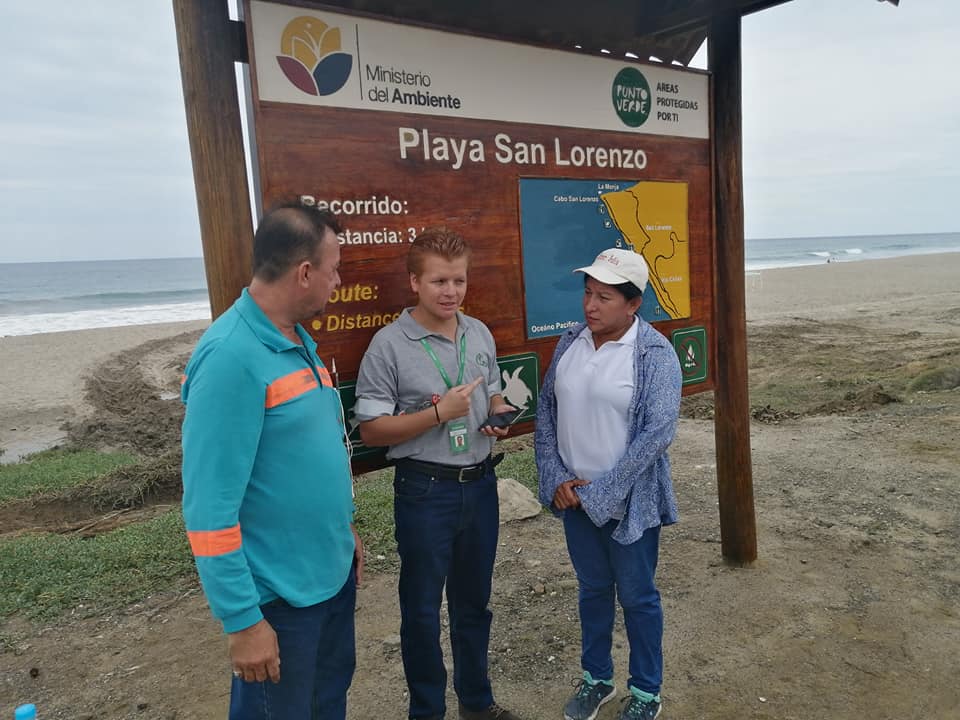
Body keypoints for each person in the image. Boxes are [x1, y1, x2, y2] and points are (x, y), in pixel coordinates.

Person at [180, 201, 363, 720]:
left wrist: (341, 531)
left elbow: (303, 458)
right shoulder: (230, 358)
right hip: (278, 603)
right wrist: (242, 621)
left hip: (328, 579)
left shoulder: (295, 338)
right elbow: (208, 510)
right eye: (333, 269)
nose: (338, 281)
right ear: (304, 273)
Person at [354, 228, 521, 720]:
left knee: (474, 605)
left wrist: (498, 412)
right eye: (438, 282)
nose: (451, 292)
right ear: (414, 282)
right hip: (424, 490)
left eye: (458, 281)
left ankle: (477, 703)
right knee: (422, 613)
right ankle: (427, 711)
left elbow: (493, 391)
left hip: (481, 484)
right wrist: (437, 414)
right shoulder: (388, 345)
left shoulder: (478, 332)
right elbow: (372, 430)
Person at [535, 248, 681, 720]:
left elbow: (657, 433)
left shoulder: (654, 353)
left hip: (628, 505)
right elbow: (547, 412)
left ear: (633, 304)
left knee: (638, 597)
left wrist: (600, 495)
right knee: (593, 591)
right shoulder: (570, 342)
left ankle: (646, 692)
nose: (590, 306)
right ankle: (596, 678)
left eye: (604, 297)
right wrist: (557, 479)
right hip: (574, 500)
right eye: (587, 293)